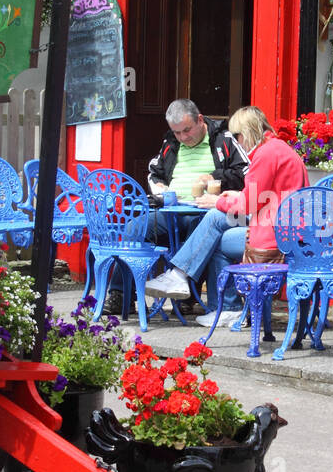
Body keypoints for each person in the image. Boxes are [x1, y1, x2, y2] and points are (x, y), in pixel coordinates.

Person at [145, 105, 308, 326]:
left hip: (275, 233)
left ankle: (208, 293)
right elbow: (262, 196)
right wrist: (234, 195)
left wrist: (219, 200)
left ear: (246, 133)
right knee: (216, 225)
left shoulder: (266, 154)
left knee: (216, 230)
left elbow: (248, 205)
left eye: (238, 137)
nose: (238, 143)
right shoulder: (278, 148)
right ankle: (189, 282)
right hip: (284, 226)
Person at [105, 99, 247, 313]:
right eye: (178, 132)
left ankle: (186, 295)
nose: (183, 137)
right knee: (133, 228)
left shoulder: (223, 140)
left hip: (206, 210)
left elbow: (244, 172)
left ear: (200, 120)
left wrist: (215, 177)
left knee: (196, 228)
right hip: (172, 210)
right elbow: (154, 172)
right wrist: (159, 189)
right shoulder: (171, 143)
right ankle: (121, 294)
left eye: (187, 130)